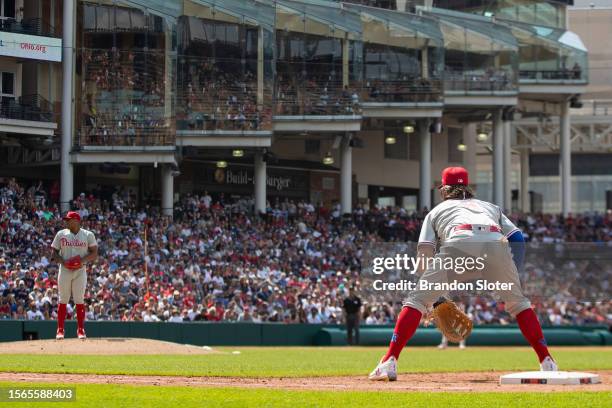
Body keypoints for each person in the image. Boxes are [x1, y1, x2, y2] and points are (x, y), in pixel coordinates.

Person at [369, 167, 556, 381]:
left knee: (415, 301)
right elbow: (517, 237)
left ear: (445, 189)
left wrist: (434, 298)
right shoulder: (491, 207)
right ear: (467, 187)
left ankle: (389, 360)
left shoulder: (437, 211)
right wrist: (515, 270)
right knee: (519, 304)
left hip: (459, 243)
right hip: (496, 246)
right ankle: (547, 360)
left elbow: (425, 251)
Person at [51, 211, 98, 340]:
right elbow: (54, 253)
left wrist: (81, 261)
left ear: (76, 221)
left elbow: (94, 253)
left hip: (80, 270)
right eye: (66, 219)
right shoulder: (61, 234)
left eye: (69, 219)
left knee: (79, 299)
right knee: (63, 299)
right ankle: (60, 330)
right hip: (65, 269)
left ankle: (81, 330)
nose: (66, 221)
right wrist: (63, 261)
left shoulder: (88, 235)